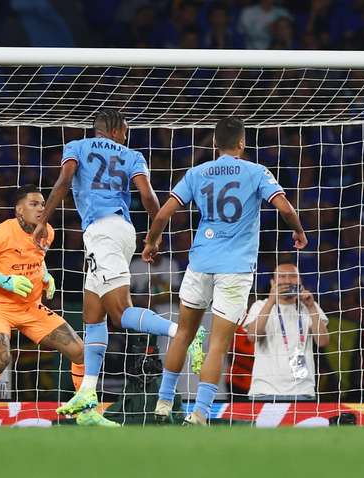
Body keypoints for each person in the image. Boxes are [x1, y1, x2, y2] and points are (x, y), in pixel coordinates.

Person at [143, 117, 307, 425]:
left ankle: (163, 403)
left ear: (216, 143)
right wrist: (298, 231)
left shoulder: (196, 172)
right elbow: (285, 208)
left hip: (200, 264)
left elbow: (163, 214)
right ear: (242, 143)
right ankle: (200, 413)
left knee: (183, 334)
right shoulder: (257, 172)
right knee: (217, 344)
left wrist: (152, 242)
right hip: (235, 269)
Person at [33, 109, 175, 424]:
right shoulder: (132, 155)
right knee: (92, 314)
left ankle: (182, 332)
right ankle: (88, 393)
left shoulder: (76, 147)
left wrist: (43, 220)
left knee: (120, 312)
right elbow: (148, 196)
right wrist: (155, 235)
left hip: (102, 233)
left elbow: (64, 182)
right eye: (125, 131)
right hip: (120, 231)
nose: (126, 137)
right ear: (114, 130)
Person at [0, 185, 89, 427]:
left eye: (43, 204)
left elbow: (37, 259)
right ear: (19, 210)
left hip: (30, 307)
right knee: (0, 359)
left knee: (79, 351)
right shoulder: (0, 234)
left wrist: (45, 276)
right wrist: (2, 279)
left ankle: (85, 412)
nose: (41, 208)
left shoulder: (47, 232)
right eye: (34, 204)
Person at [245, 263, 328, 400]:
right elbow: (253, 336)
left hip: (302, 390)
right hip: (264, 389)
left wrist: (311, 307)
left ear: (300, 281)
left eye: (293, 276)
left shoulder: (310, 306)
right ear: (273, 282)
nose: (288, 281)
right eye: (282, 277)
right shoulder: (260, 306)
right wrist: (271, 301)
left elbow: (323, 342)